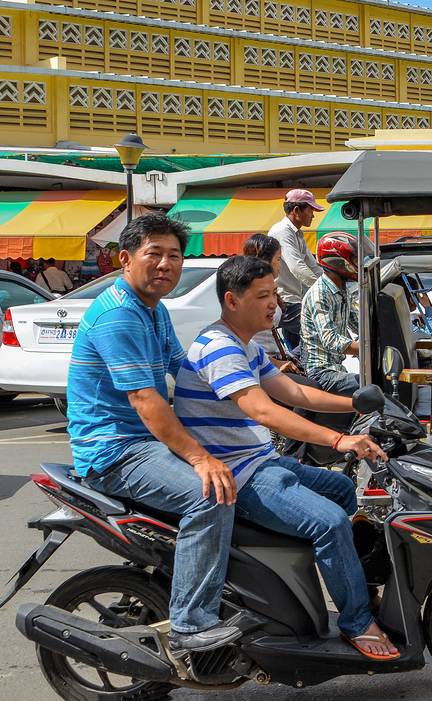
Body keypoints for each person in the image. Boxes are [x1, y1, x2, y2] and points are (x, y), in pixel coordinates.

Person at [174, 255, 399, 660]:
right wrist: (338, 440)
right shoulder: (220, 346)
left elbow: (293, 392)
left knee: (342, 488)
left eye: (274, 293)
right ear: (232, 300)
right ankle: (355, 621)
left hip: (261, 462)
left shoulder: (243, 344)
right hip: (241, 475)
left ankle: (354, 589)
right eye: (263, 295)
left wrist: (357, 405)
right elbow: (264, 410)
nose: (274, 303)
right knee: (330, 521)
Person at [66, 212, 240, 654]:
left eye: (174, 256)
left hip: (140, 444)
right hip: (116, 451)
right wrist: (201, 457)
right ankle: (190, 624)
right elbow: (147, 401)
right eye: (154, 254)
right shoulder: (120, 316)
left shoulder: (153, 309)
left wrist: (246, 387)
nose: (165, 264)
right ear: (126, 259)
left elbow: (183, 368)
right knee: (210, 492)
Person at [301, 232, 362, 396]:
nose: (358, 264)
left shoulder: (343, 291)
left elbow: (359, 324)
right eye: (355, 260)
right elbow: (331, 340)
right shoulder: (319, 294)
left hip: (336, 369)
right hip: (320, 372)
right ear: (339, 262)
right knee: (370, 388)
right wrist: (367, 348)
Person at [267, 190, 324, 356]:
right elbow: (297, 266)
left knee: (298, 346)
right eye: (310, 211)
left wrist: (330, 283)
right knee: (318, 336)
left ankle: (295, 368)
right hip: (286, 301)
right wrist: (324, 289)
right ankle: (293, 362)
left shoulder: (297, 233)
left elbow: (312, 265)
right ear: (296, 210)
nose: (313, 216)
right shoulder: (282, 230)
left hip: (294, 299)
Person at [241, 232, 299, 373]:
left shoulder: (266, 287)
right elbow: (245, 341)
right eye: (278, 259)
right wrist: (276, 363)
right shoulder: (252, 293)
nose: (280, 265)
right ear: (266, 261)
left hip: (278, 356)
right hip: (266, 363)